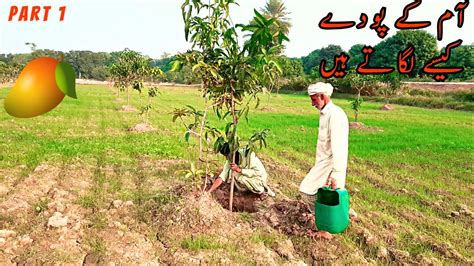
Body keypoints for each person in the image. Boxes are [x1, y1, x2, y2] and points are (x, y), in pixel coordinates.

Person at [299, 82, 349, 239]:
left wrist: (336, 173)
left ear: (323, 97)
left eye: (314, 99)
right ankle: (326, 226)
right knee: (323, 195)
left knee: (307, 191)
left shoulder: (336, 115)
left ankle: (327, 229)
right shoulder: (326, 114)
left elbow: (339, 147)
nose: (312, 103)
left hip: (331, 165)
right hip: (323, 163)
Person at [208, 143, 275, 197]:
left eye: (227, 156)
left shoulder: (248, 155)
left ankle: (262, 191)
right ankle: (246, 191)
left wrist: (240, 170)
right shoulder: (230, 160)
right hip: (248, 178)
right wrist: (209, 191)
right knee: (233, 173)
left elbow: (258, 172)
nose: (226, 158)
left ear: (233, 153)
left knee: (242, 178)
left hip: (259, 178)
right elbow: (222, 177)